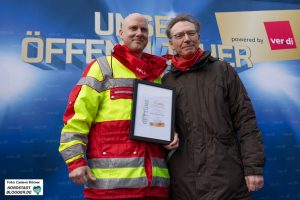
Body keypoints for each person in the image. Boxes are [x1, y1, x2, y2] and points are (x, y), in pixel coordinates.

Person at [59, 13, 178, 200]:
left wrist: (170, 134)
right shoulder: (102, 67)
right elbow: (76, 119)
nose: (139, 33)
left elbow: (163, 122)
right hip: (110, 188)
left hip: (155, 187)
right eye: (133, 28)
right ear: (121, 33)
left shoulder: (158, 74)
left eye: (144, 30)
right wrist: (75, 161)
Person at [162, 14, 265, 200]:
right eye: (179, 36)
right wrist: (165, 135)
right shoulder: (166, 81)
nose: (186, 39)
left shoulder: (223, 71)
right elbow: (160, 125)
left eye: (190, 33)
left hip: (227, 178)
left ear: (198, 37)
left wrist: (253, 168)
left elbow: (246, 122)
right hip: (185, 183)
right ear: (171, 43)